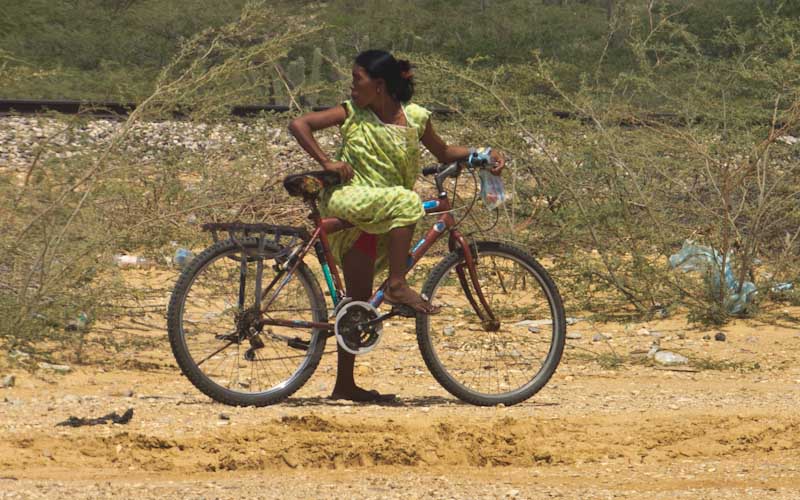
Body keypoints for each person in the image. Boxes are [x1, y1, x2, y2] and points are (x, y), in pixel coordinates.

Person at [288, 49, 505, 402]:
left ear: (380, 85)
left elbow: (444, 151)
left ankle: (345, 386)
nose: (352, 86)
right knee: (408, 201)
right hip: (353, 199)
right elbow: (300, 124)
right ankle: (397, 284)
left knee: (356, 304)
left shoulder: (416, 118)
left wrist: (480, 155)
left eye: (357, 80)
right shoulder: (351, 112)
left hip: (382, 215)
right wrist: (327, 161)